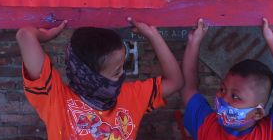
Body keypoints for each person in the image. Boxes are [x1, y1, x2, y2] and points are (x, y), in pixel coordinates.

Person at [16, 17, 183, 139]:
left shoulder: (131, 96)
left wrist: (153, 35)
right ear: (90, 77)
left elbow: (176, 81)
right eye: (116, 72)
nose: (122, 76)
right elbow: (25, 35)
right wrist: (46, 35)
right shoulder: (56, 101)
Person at [182, 18, 273, 140]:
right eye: (222, 89)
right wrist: (193, 42)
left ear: (257, 113)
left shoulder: (271, 134)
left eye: (235, 97)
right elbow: (190, 89)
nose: (224, 99)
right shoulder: (207, 125)